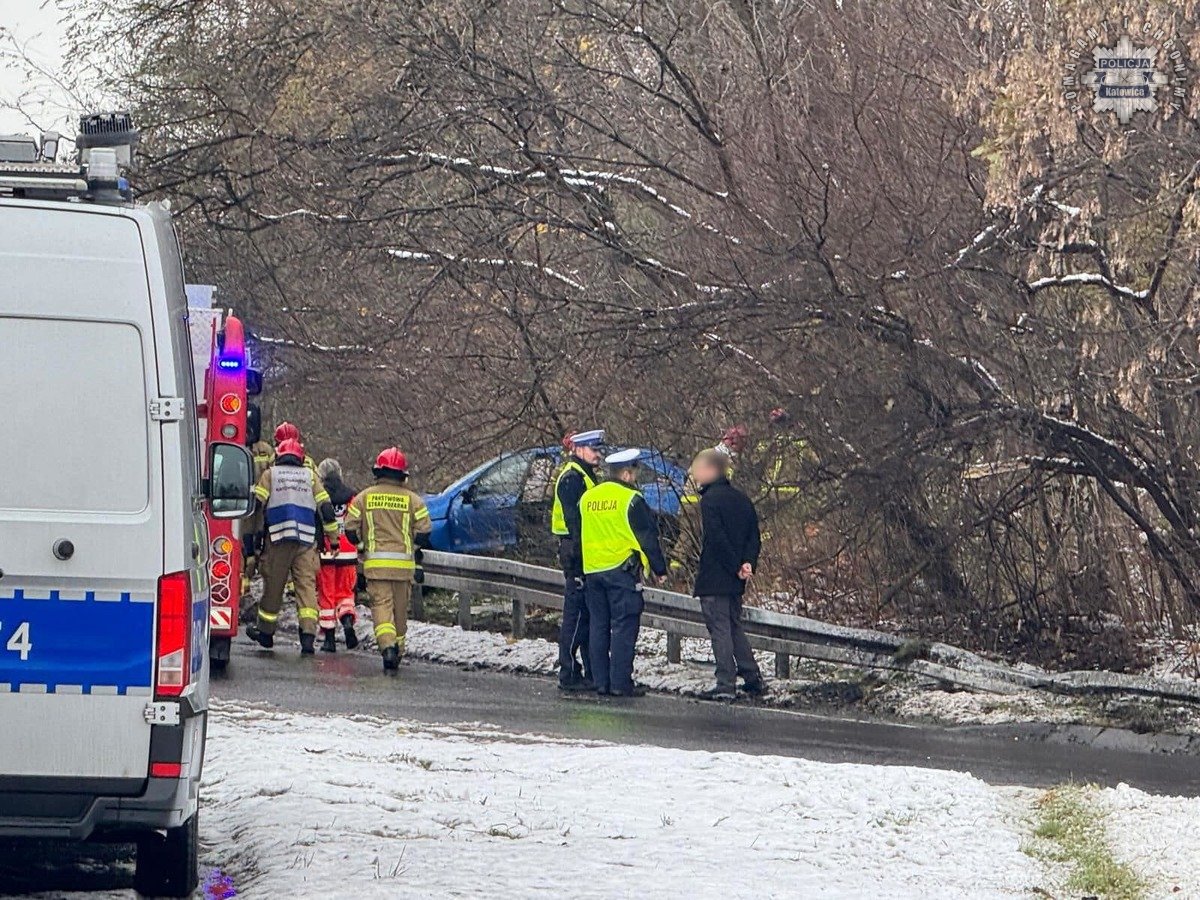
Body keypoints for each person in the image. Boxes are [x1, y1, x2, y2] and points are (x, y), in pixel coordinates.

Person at [580, 448, 668, 697]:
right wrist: (659, 569)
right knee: (623, 626)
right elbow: (647, 537)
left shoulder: (588, 497)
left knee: (598, 626)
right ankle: (619, 683)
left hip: (593, 570)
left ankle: (600, 682)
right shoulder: (631, 499)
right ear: (627, 474)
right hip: (621, 571)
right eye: (635, 472)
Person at [246, 438, 339, 654]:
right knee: (306, 587)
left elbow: (256, 506)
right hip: (306, 540)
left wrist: (251, 539)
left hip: (278, 538)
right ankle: (308, 637)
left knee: (274, 586)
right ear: (300, 457)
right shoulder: (311, 476)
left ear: (279, 455)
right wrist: (333, 538)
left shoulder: (271, 474)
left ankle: (266, 632)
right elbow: (326, 509)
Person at [344, 448, 432, 673]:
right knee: (400, 613)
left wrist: (363, 547)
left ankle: (388, 648)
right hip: (403, 569)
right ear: (403, 475)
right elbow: (424, 533)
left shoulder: (364, 497)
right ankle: (399, 650)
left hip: (376, 567)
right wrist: (413, 550)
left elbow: (350, 529)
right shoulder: (414, 501)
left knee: (382, 610)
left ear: (378, 471)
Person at [690, 448, 765, 701]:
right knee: (733, 626)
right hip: (735, 579)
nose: (693, 473)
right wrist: (747, 564)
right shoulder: (742, 499)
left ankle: (725, 682)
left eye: (698, 468)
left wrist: (734, 564)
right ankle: (752, 676)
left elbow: (717, 538)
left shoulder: (710, 500)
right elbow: (753, 536)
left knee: (720, 629)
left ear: (712, 470)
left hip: (716, 576)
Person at [550, 428, 605, 691]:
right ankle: (569, 671)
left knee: (586, 614)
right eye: (594, 450)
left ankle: (588, 671)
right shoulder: (573, 478)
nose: (598, 455)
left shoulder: (585, 476)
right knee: (576, 615)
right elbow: (576, 522)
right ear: (579, 449)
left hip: (582, 551)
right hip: (575, 552)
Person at [315, 458, 360, 653]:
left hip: (326, 552)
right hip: (348, 552)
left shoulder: (319, 495)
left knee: (327, 596)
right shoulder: (352, 496)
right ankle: (347, 621)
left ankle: (329, 639)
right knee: (346, 593)